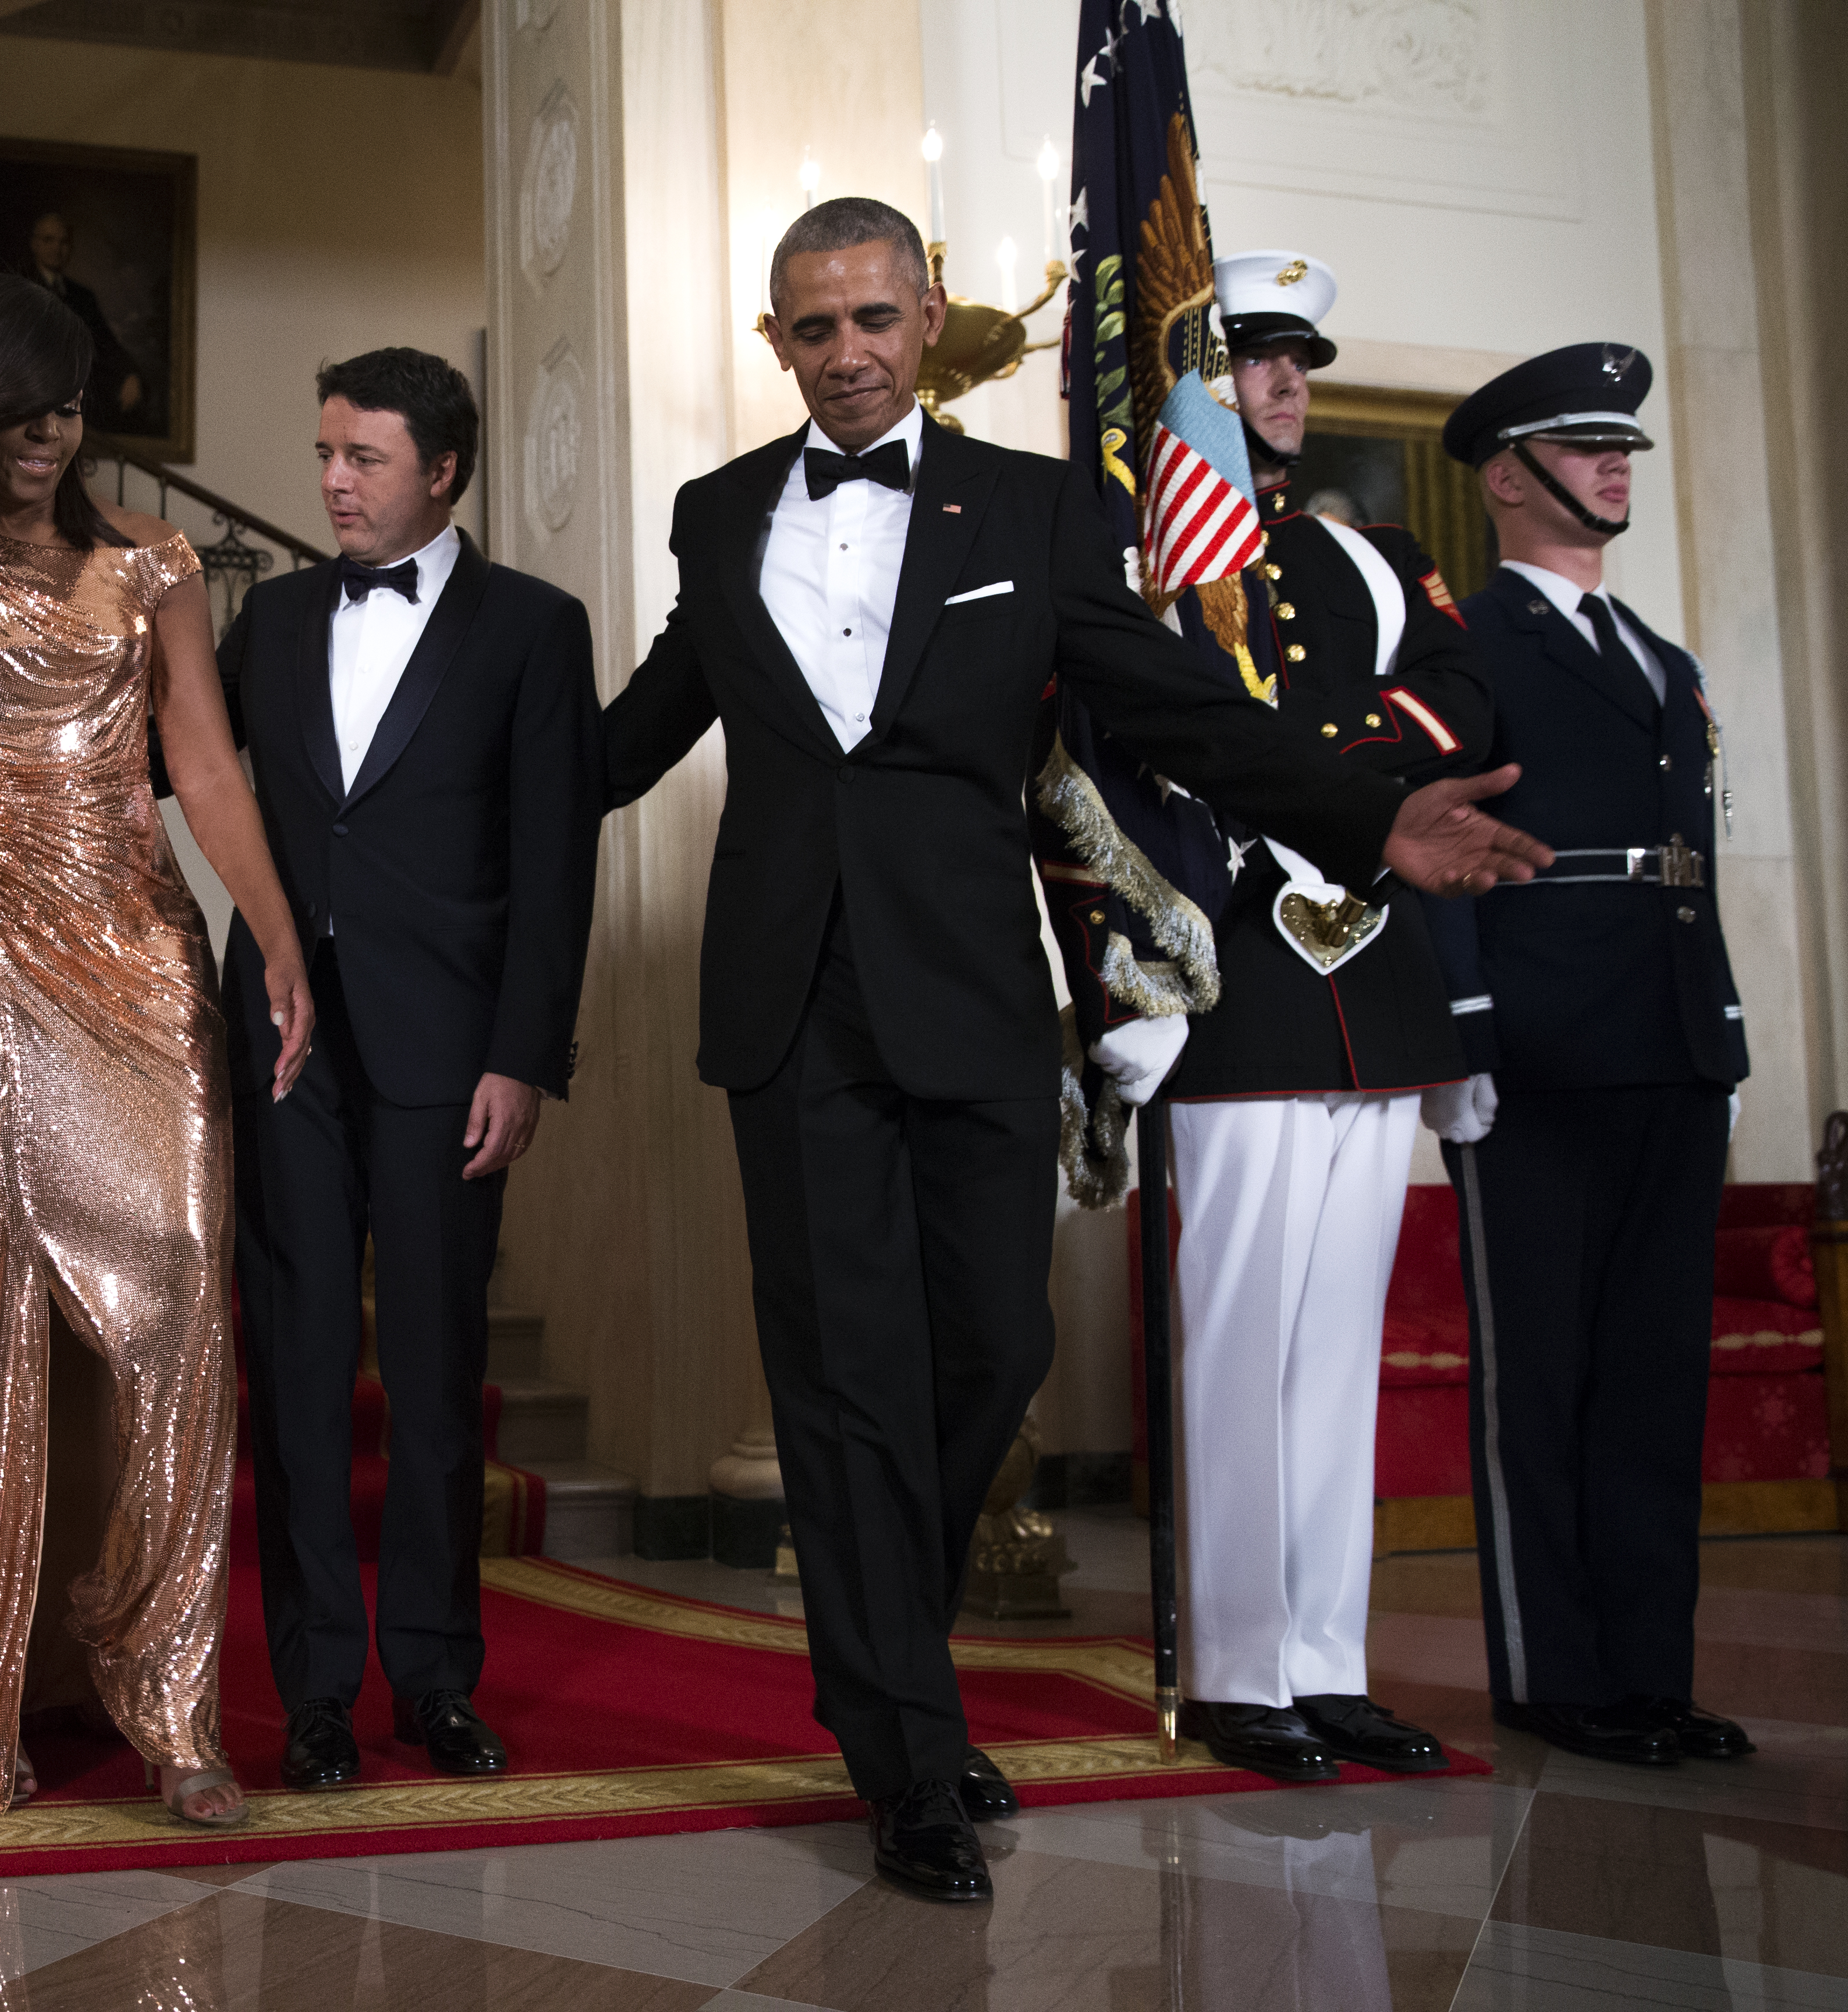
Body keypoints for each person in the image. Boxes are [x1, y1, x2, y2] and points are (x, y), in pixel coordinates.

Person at [600, 197, 1551, 1904]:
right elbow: (636, 730)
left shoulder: (1031, 508)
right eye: (811, 330)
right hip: (791, 1002)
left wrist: (1373, 814)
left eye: (875, 317)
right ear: (776, 344)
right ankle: (903, 1746)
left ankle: (884, 1660)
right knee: (842, 1386)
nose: (848, 355)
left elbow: (1175, 711)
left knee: (995, 1345)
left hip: (967, 995)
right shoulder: (720, 512)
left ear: (930, 312)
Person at [0, 272, 314, 1827]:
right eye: (23, 405)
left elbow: (205, 764)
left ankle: (166, 1695)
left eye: (73, 406)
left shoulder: (156, 566)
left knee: (167, 1303)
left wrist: (279, 938)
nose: (51, 432)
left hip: (137, 949)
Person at [1046, 252, 1485, 1783]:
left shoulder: (1375, 557)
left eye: (1300, 357)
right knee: (1241, 1340)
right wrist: (1336, 776)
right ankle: (1240, 1668)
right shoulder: (1147, 559)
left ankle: (1327, 1659)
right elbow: (1123, 744)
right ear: (1191, 381)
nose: (1285, 382)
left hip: (1370, 979)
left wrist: (1328, 775)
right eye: (1250, 356)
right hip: (1234, 983)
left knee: (1336, 1349)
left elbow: (1458, 708)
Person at [212, 350, 600, 1790]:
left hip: (453, 1054)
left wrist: (525, 1056)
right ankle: (314, 1688)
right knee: (298, 1364)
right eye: (324, 451)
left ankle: (434, 1675)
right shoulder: (267, 613)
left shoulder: (532, 628)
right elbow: (170, 765)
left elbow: (558, 860)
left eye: (362, 456)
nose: (330, 480)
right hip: (284, 1045)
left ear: (442, 468)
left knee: (434, 1378)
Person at [1421, 343, 1753, 1769]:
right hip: (1541, 1047)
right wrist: (1465, 1029)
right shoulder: (1468, 648)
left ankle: (1647, 1669)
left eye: (1624, 444)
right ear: (1508, 474)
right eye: (1580, 444)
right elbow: (1433, 841)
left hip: (1672, 1039)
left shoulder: (1664, 663)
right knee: (1542, 1377)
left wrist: (1722, 1022)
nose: (1614, 463)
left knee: (1649, 1374)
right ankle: (1555, 1673)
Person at [17, 213, 145, 431]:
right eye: (49, 240)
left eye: (64, 242)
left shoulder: (82, 296)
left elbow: (105, 342)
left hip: (73, 397)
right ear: (35, 244)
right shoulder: (19, 288)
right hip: (29, 398)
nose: (57, 248)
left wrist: (130, 373)